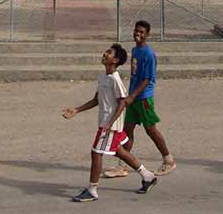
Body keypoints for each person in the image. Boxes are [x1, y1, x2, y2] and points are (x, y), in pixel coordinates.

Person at [62, 43, 159, 202]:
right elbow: (96, 100)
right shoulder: (103, 78)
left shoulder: (115, 79)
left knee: (96, 152)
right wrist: (76, 110)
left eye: (109, 53)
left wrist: (110, 124)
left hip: (110, 125)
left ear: (116, 60)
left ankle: (92, 190)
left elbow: (122, 102)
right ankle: (148, 176)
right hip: (107, 123)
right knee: (119, 151)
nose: (104, 54)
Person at [104, 20, 176, 179]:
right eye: (137, 31)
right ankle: (122, 165)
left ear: (147, 35)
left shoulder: (149, 54)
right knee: (127, 130)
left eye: (142, 32)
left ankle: (168, 159)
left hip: (143, 98)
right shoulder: (135, 50)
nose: (138, 34)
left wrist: (132, 96)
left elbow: (147, 79)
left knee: (151, 130)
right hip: (133, 98)